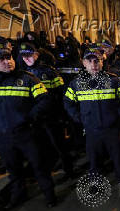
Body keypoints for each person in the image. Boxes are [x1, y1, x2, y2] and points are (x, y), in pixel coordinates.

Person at [0, 37, 57, 209]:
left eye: (9, 57)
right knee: (13, 169)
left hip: (27, 133)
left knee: (39, 166)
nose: (8, 62)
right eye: (2, 59)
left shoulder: (27, 78)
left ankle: (50, 195)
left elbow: (45, 100)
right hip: (3, 135)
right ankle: (18, 196)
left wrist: (29, 117)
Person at [64, 47, 120, 183]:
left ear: (102, 62)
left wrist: (116, 114)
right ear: (84, 63)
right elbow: (67, 102)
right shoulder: (77, 83)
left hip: (111, 128)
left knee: (118, 158)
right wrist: (80, 118)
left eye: (97, 61)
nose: (93, 65)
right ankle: (96, 183)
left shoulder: (114, 80)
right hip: (91, 130)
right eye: (89, 61)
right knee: (94, 160)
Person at [18, 42, 74, 176]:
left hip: (52, 116)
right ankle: (47, 170)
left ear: (36, 55)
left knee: (59, 144)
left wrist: (63, 115)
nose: (26, 58)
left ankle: (69, 169)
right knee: (41, 146)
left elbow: (62, 93)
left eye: (29, 55)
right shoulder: (21, 74)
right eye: (23, 56)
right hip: (34, 118)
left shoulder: (49, 71)